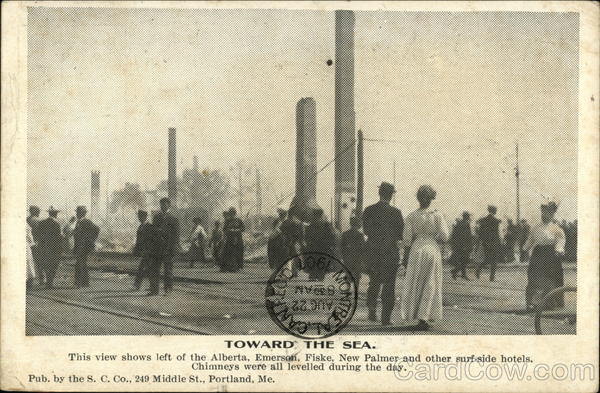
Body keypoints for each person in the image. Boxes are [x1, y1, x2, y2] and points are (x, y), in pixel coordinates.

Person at [400, 185, 450, 331]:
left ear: (418, 199)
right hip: (432, 249)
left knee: (416, 281)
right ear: (431, 199)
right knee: (430, 282)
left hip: (417, 249)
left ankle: (415, 314)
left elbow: (407, 240)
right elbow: (445, 236)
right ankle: (425, 316)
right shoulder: (437, 215)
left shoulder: (411, 216)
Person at [363, 182, 404, 325]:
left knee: (373, 282)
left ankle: (372, 309)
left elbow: (366, 231)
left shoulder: (368, 210)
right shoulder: (396, 212)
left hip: (373, 252)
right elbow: (400, 235)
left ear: (379, 193)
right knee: (389, 285)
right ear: (391, 195)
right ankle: (385, 318)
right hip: (389, 253)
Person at [523, 202, 566, 310]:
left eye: (548, 213)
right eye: (543, 212)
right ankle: (531, 303)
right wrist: (525, 249)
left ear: (552, 214)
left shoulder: (556, 228)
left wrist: (558, 249)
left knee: (551, 278)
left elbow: (561, 240)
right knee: (534, 277)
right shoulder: (535, 227)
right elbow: (530, 240)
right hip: (538, 254)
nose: (545, 215)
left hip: (551, 254)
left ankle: (550, 303)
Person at [149, 197, 179, 296]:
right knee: (155, 270)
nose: (163, 206)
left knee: (168, 271)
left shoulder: (173, 219)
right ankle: (154, 290)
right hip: (157, 248)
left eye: (165, 204)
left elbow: (176, 236)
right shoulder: (156, 217)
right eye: (161, 204)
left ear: (169, 206)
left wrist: (173, 249)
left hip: (168, 248)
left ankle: (168, 289)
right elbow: (152, 233)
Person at [304, 207, 336, 280]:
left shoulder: (310, 225)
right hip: (323, 247)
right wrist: (331, 245)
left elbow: (306, 237)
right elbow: (332, 235)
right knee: (322, 262)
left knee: (313, 261)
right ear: (321, 215)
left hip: (313, 247)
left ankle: (313, 275)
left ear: (314, 215)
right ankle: (320, 275)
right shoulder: (326, 224)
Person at [72, 206, 100, 288]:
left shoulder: (87, 222)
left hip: (83, 247)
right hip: (80, 246)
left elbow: (97, 229)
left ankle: (79, 283)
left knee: (79, 264)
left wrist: (91, 241)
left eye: (78, 212)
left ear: (82, 213)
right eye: (77, 212)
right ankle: (85, 283)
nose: (76, 214)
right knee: (82, 264)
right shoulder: (79, 222)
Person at [475, 205, 503, 281]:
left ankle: (478, 269)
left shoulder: (483, 220)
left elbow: (480, 233)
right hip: (494, 243)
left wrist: (481, 241)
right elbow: (497, 233)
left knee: (487, 259)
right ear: (494, 211)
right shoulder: (496, 221)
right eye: (496, 210)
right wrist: (500, 243)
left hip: (486, 243)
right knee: (494, 260)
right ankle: (492, 277)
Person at [37, 206, 63, 288]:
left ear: (49, 213)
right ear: (55, 214)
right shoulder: (57, 223)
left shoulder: (42, 222)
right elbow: (59, 237)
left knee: (46, 264)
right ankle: (50, 282)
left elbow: (38, 235)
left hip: (44, 247)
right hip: (54, 248)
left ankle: (48, 281)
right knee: (54, 265)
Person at [279, 205, 305, 277]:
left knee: (288, 257)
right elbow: (302, 234)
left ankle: (288, 272)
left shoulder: (285, 222)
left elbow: (281, 232)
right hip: (296, 243)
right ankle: (295, 271)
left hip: (287, 242)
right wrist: (302, 242)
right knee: (295, 256)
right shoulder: (300, 223)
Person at [341, 215, 365, 286]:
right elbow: (362, 247)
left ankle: (347, 289)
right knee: (357, 274)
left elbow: (342, 246)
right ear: (358, 225)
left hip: (347, 257)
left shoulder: (345, 234)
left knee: (348, 272)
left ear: (351, 224)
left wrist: (343, 256)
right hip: (357, 257)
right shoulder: (360, 235)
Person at [132, 210, 153, 291]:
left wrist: (148, 249)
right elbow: (138, 240)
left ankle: (137, 285)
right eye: (138, 217)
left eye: (140, 217)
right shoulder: (140, 226)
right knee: (147, 269)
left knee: (142, 269)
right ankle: (151, 286)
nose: (139, 219)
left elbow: (151, 239)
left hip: (148, 251)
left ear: (145, 217)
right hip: (144, 251)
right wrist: (137, 249)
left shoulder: (149, 226)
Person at [450, 211, 473, 280]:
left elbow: (454, 234)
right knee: (465, 260)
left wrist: (454, 244)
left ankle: (463, 274)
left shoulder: (458, 223)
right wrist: (468, 245)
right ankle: (455, 271)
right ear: (467, 217)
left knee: (462, 260)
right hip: (464, 246)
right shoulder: (466, 224)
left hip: (458, 245)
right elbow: (467, 236)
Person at [221, 207, 245, 272]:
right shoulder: (227, 221)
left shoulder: (239, 220)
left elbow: (243, 228)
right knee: (229, 252)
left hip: (238, 238)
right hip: (230, 238)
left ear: (235, 213)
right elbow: (224, 229)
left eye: (233, 213)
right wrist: (229, 230)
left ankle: (237, 267)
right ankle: (229, 267)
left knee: (238, 252)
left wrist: (237, 230)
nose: (232, 215)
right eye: (231, 213)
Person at [27, 205, 44, 285]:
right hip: (37, 243)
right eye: (38, 211)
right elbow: (41, 233)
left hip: (27, 243)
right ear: (36, 212)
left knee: (29, 261)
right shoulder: (38, 220)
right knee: (39, 261)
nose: (39, 213)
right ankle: (42, 278)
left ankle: (29, 278)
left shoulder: (27, 219)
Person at [26, 224, 37, 289]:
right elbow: (30, 238)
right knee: (28, 263)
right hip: (25, 246)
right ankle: (29, 282)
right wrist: (33, 244)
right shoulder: (26, 225)